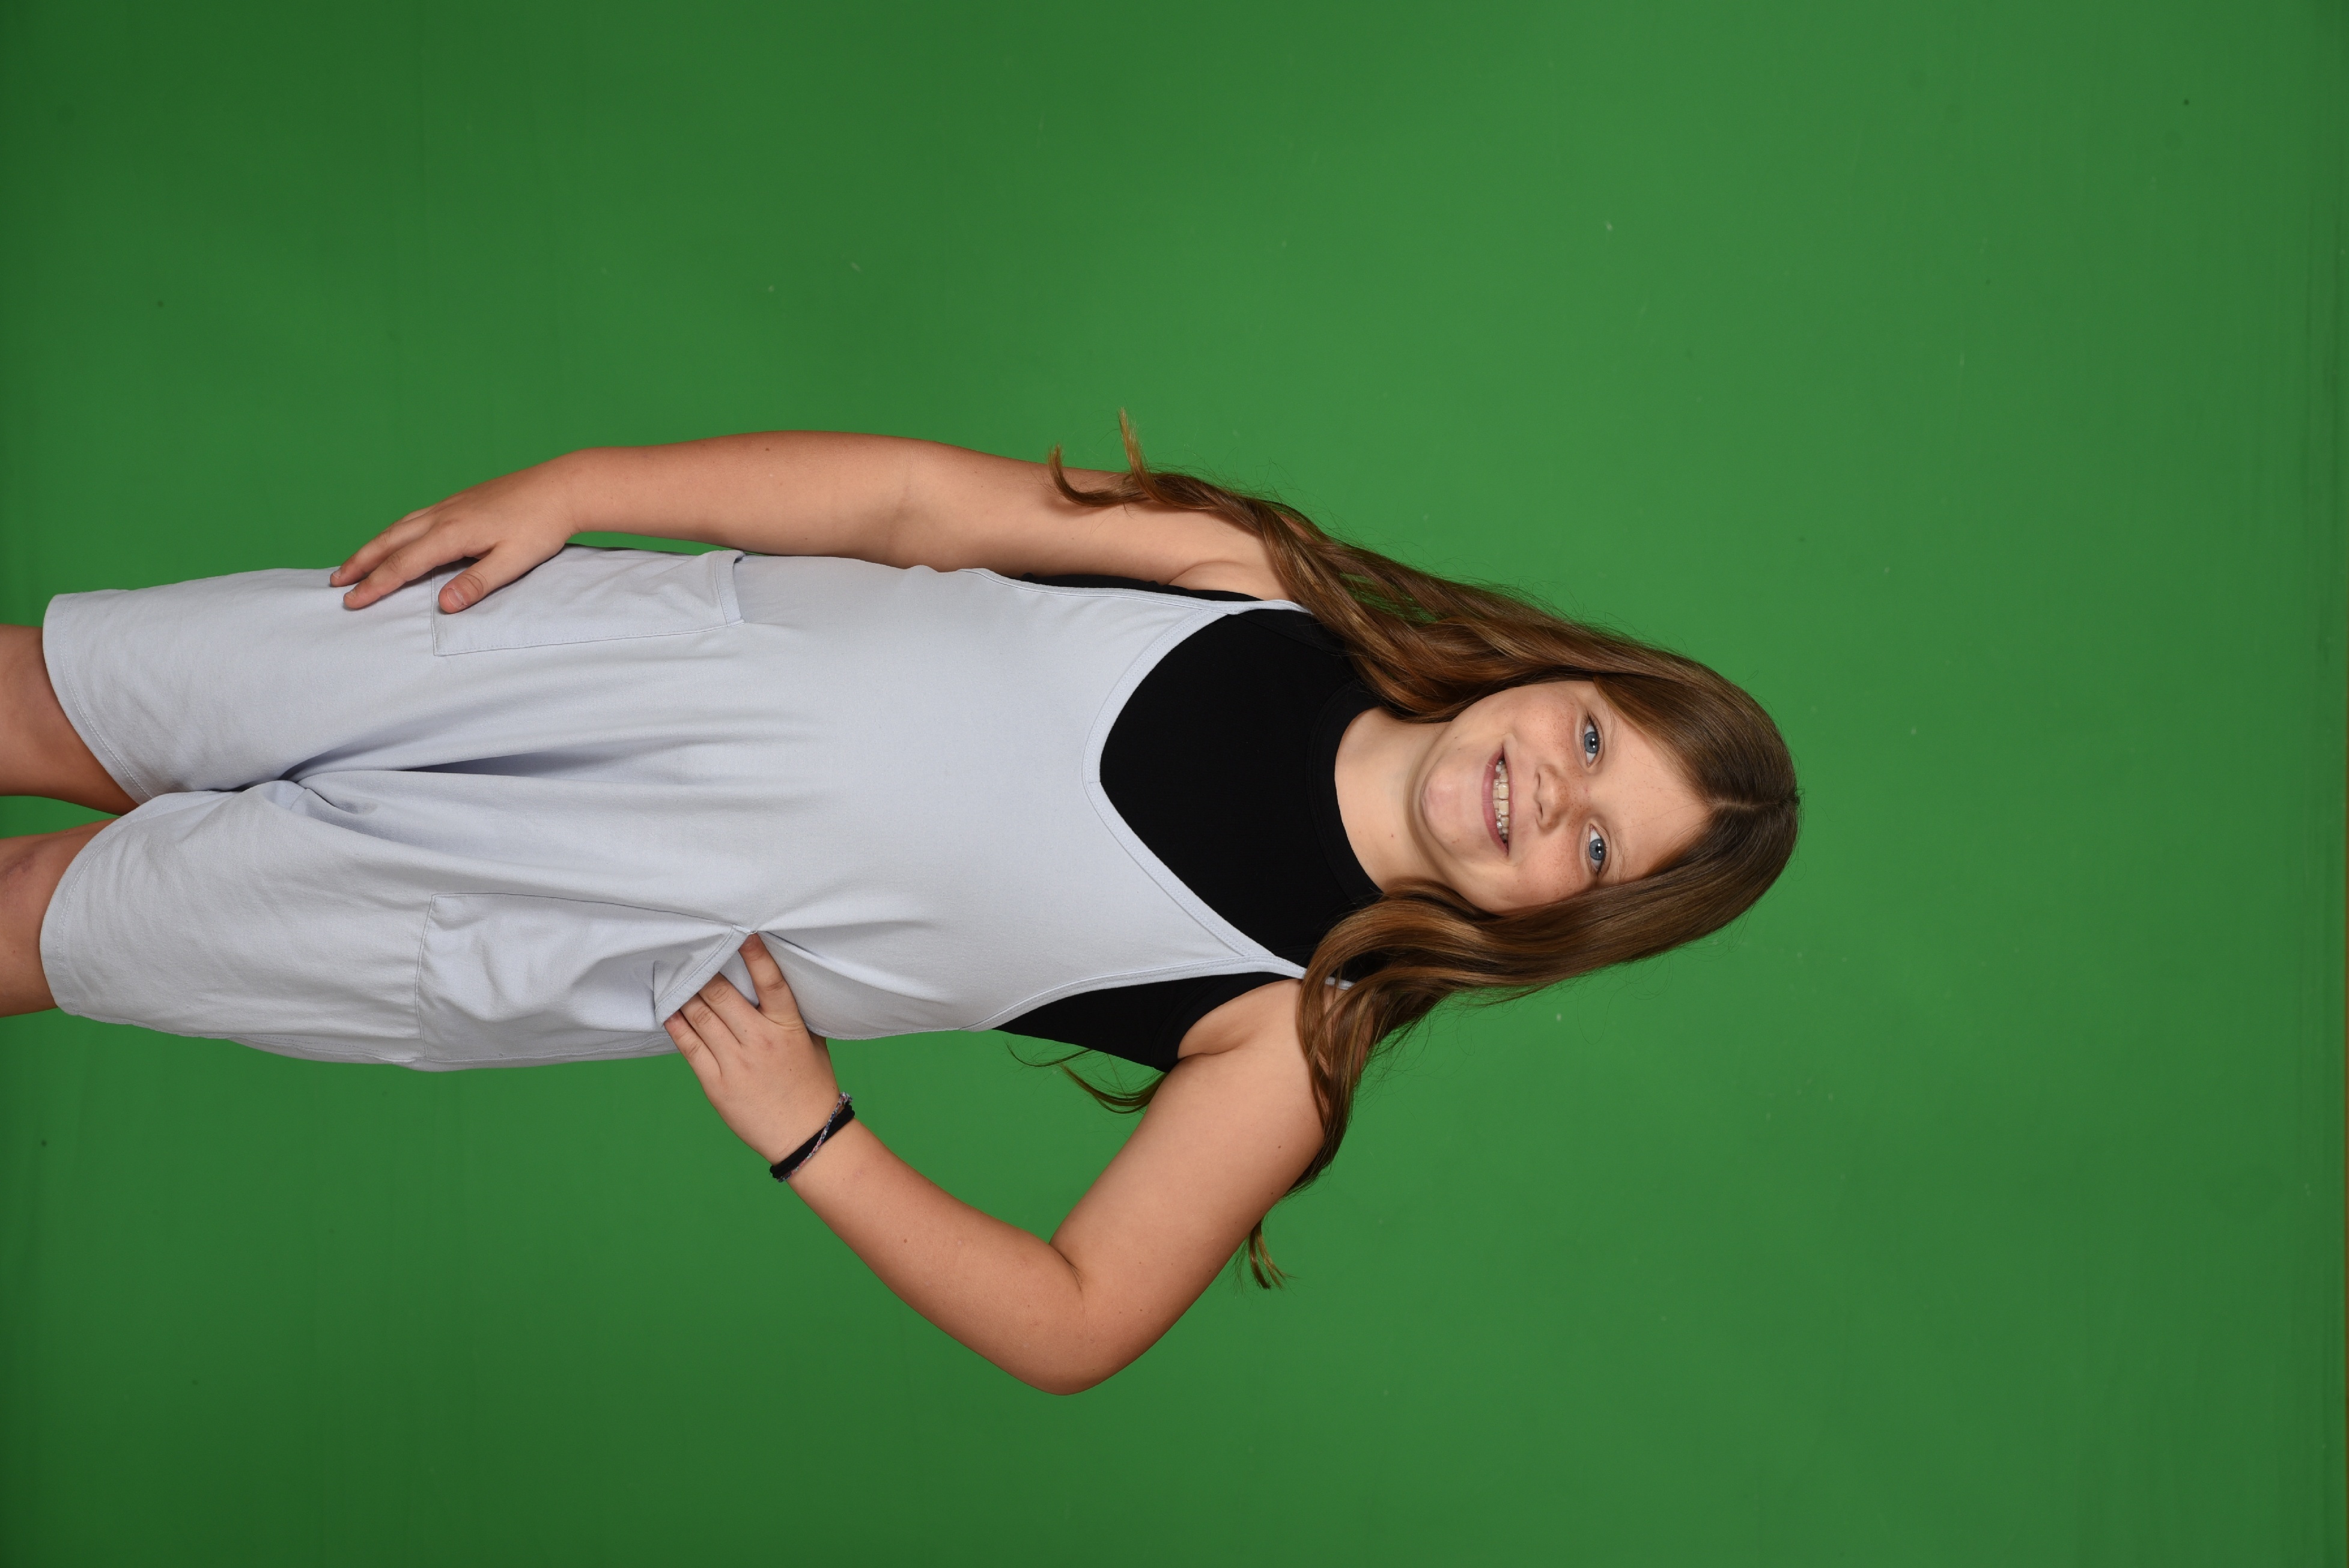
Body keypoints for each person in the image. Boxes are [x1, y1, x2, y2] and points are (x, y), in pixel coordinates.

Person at [0, 424, 1798, 1392]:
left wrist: (820, 1139)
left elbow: (1078, 1317)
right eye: (1591, 740)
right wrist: (580, 490)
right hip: (569, 655)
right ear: (1558, 674)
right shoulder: (1262, 587)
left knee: (39, 921)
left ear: (1578, 921)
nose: (1553, 793)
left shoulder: (1293, 1020)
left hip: (556, 914)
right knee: (43, 697)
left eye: (1597, 848)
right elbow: (913, 503)